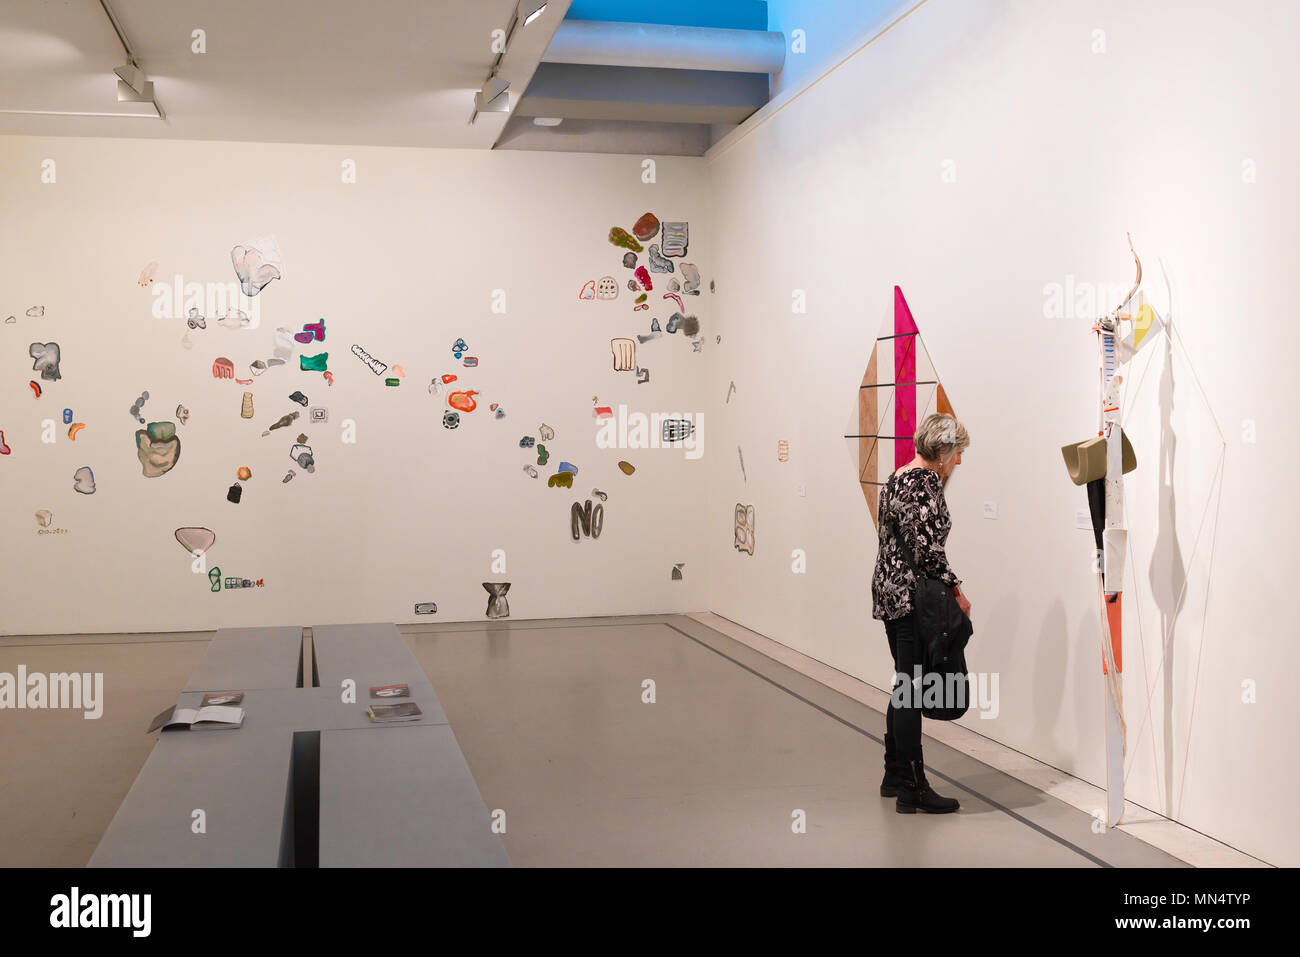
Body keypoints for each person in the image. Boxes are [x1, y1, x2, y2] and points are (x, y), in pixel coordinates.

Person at [872, 412, 971, 814]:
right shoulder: (926, 482)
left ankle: (894, 773)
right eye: (958, 452)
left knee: (904, 683)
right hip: (913, 597)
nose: (959, 462)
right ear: (943, 449)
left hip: (888, 588)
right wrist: (956, 589)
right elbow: (928, 551)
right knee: (912, 688)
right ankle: (914, 786)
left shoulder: (896, 477)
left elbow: (889, 538)